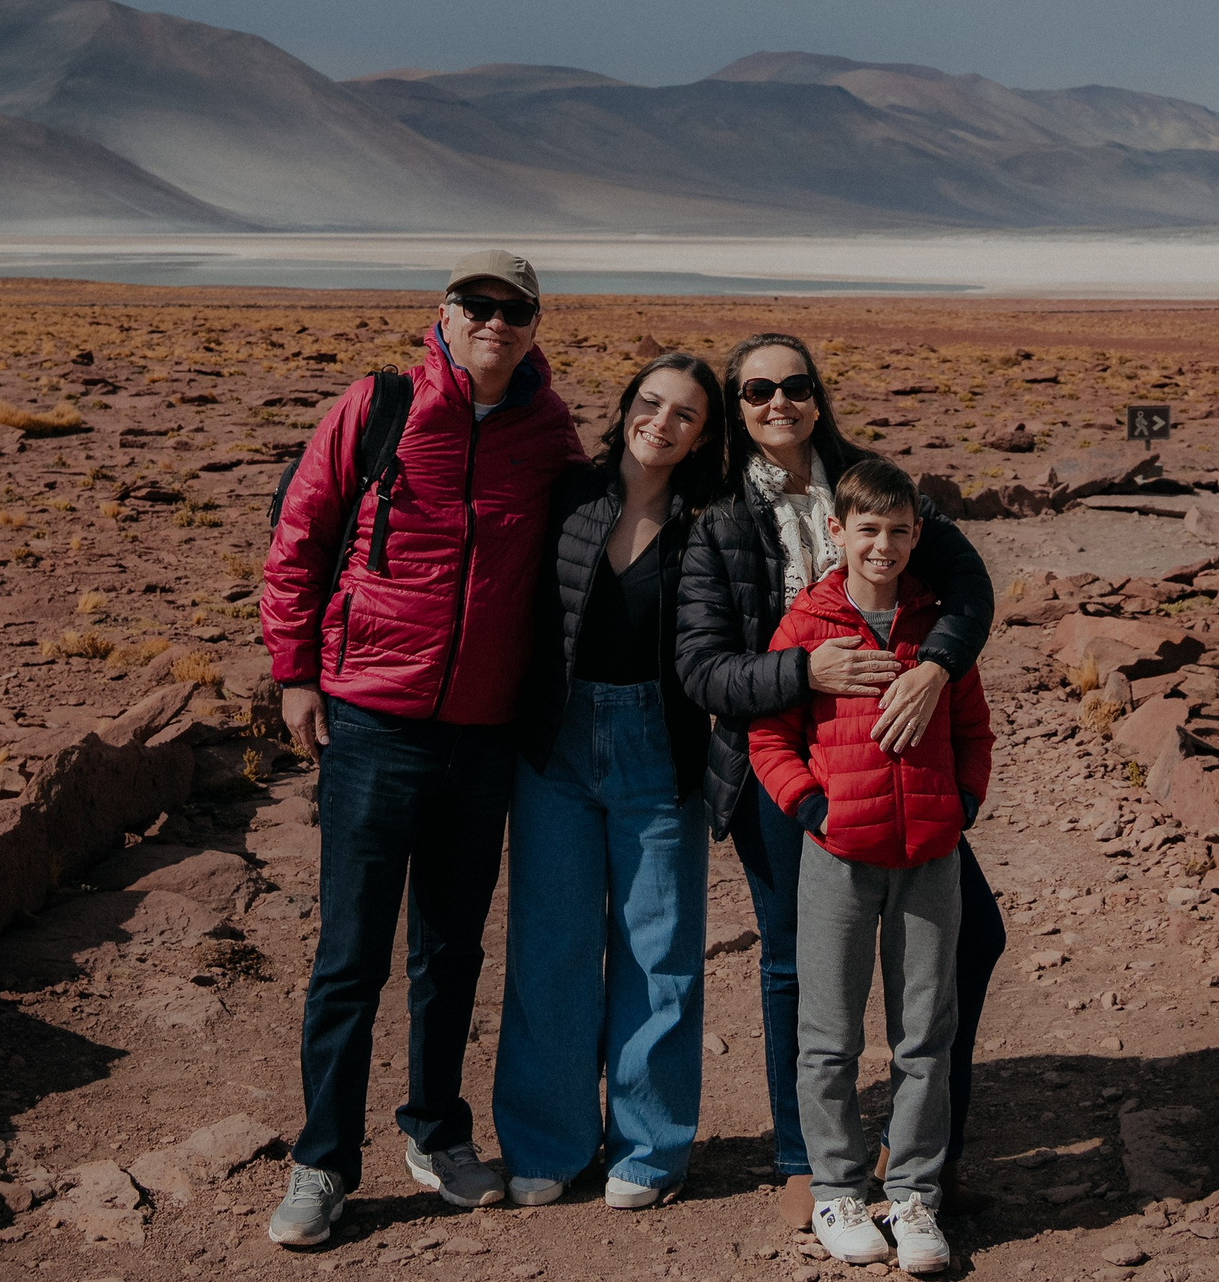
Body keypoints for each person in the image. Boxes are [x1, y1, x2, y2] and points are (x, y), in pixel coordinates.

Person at [258, 248, 586, 1248]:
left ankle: (437, 1132)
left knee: (450, 949)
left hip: (482, 734)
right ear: (443, 313)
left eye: (514, 309)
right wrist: (296, 671)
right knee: (350, 957)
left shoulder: (548, 430)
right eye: (475, 303)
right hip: (372, 720)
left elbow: (585, 549)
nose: (494, 321)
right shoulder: (381, 405)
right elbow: (301, 535)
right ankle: (323, 1160)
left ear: (534, 326)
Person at [676, 333, 1007, 1232]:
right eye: (756, 390)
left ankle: (922, 1158)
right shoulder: (718, 516)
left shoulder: (874, 486)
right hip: (785, 766)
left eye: (794, 385)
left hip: (901, 768)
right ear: (737, 407)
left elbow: (968, 587)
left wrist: (937, 666)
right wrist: (803, 672)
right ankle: (809, 1161)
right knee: (797, 961)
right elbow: (703, 668)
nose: (777, 402)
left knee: (969, 939)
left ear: (818, 396)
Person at [492, 353, 725, 1209]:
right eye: (650, 403)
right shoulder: (570, 494)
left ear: (703, 435)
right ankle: (547, 1142)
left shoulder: (711, 522)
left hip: (660, 751)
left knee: (659, 952)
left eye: (684, 414)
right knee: (550, 944)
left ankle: (648, 1148)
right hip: (557, 743)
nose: (661, 423)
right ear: (626, 406)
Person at [750, 458, 992, 1276]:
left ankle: (915, 1193)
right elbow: (770, 737)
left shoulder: (937, 627)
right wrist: (813, 810)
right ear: (837, 531)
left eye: (897, 530)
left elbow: (974, 729)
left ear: (917, 535)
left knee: (925, 1035)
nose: (882, 545)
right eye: (867, 530)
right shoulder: (807, 624)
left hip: (930, 856)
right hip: (838, 859)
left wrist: (960, 805)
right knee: (829, 1036)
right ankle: (837, 1190)